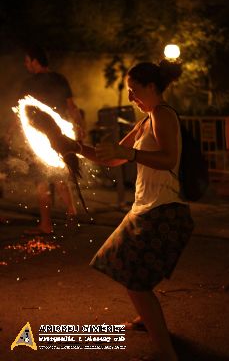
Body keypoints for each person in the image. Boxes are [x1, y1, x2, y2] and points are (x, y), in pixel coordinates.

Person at [52, 59, 194, 361]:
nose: (131, 97)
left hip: (164, 211)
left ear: (153, 87)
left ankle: (168, 353)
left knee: (135, 280)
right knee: (122, 263)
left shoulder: (163, 115)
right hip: (146, 207)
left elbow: (169, 158)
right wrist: (74, 147)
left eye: (134, 90)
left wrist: (127, 152)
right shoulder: (145, 121)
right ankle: (148, 317)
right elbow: (111, 158)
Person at [16, 45, 85, 235]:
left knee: (42, 179)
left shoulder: (28, 84)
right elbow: (71, 107)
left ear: (35, 61)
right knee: (60, 174)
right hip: (58, 136)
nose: (26, 65)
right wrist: (79, 126)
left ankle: (46, 225)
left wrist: (12, 132)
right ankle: (72, 213)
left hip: (39, 138)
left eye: (27, 61)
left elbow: (21, 113)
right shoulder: (60, 79)